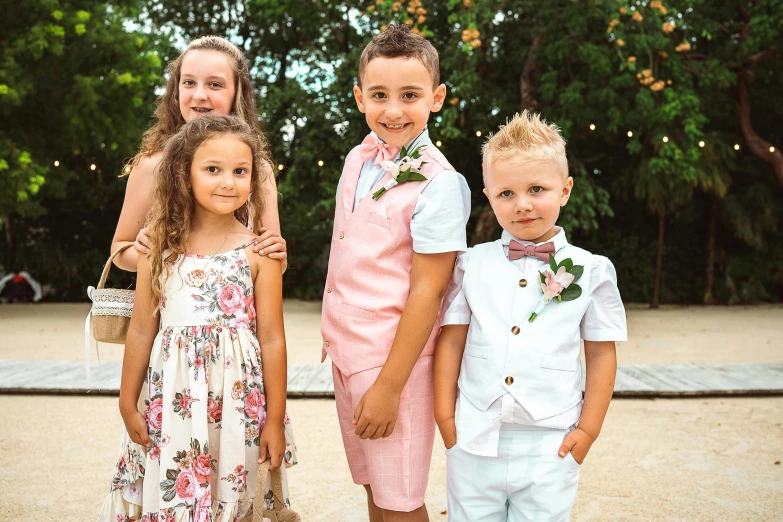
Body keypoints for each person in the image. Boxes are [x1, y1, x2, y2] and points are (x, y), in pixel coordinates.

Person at [97, 115, 297, 521]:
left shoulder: (261, 252)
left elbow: (273, 338)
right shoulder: (157, 248)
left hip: (239, 406)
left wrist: (274, 419)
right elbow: (141, 329)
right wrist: (125, 401)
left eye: (241, 171)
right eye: (212, 170)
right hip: (171, 402)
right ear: (184, 175)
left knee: (235, 499)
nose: (229, 182)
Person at [433, 111, 627, 521]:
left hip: (551, 442)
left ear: (565, 190)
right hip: (474, 439)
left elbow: (600, 354)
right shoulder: (470, 263)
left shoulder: (592, 270)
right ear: (488, 195)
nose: (521, 205)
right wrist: (446, 418)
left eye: (536, 189)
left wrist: (587, 430)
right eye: (506, 194)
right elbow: (451, 339)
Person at [320, 25, 471, 521]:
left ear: (437, 98)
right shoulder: (355, 159)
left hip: (394, 364)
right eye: (380, 95)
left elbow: (429, 291)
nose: (393, 110)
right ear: (360, 97)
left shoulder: (441, 184)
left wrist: (389, 387)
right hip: (345, 353)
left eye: (410, 96)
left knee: (401, 501)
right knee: (373, 487)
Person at [111, 36, 287, 273]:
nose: (199, 95)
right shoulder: (153, 165)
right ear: (176, 91)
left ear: (237, 92)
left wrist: (276, 252)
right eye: (189, 83)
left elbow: (273, 260)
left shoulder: (257, 168)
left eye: (214, 84)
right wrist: (145, 250)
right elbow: (120, 251)